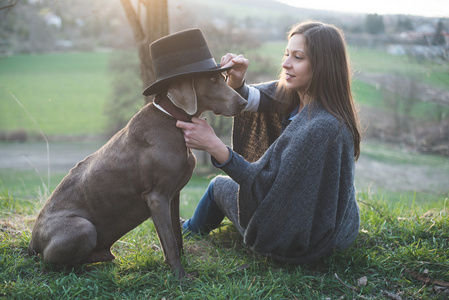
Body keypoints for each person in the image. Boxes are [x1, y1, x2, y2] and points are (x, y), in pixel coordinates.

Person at [176, 20, 362, 264]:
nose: (285, 63)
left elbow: (264, 186)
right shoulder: (302, 99)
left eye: (298, 57)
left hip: (298, 242)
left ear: (322, 66)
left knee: (217, 187)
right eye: (287, 54)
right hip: (332, 231)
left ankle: (187, 231)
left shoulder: (321, 127)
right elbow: (253, 100)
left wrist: (214, 146)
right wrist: (236, 81)